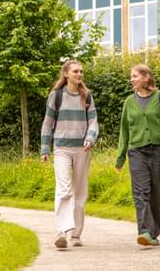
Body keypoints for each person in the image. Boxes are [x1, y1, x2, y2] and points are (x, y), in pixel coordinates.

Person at [115, 64, 160, 247]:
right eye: (131, 76)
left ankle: (155, 231)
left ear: (146, 77)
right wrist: (121, 157)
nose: (132, 79)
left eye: (135, 76)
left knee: (156, 193)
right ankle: (144, 231)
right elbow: (124, 131)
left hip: (159, 151)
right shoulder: (129, 102)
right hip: (137, 152)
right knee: (140, 192)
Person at [40, 60, 99, 249]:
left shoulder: (86, 95)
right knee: (64, 189)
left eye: (81, 71)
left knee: (80, 192)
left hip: (82, 149)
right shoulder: (56, 95)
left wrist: (90, 138)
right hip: (61, 149)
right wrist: (45, 148)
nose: (79, 74)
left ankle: (75, 235)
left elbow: (93, 121)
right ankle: (62, 233)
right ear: (66, 73)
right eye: (75, 71)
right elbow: (48, 123)